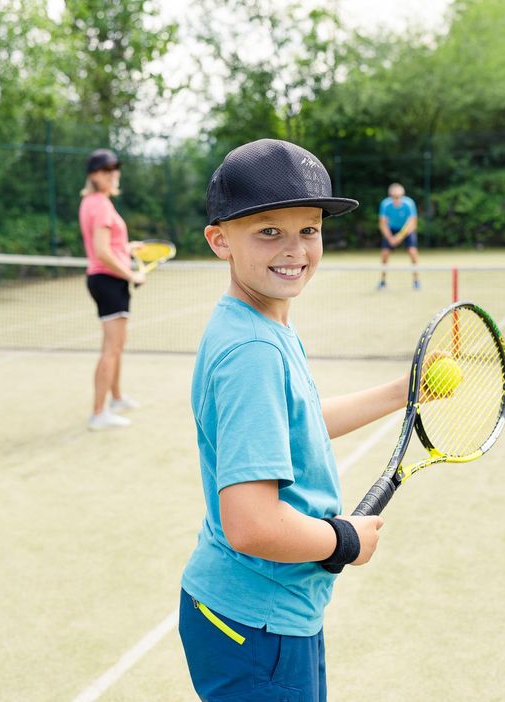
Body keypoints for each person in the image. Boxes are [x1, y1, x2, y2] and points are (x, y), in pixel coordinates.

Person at [179, 139, 410, 701]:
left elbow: (297, 427)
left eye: (308, 229)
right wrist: (342, 540)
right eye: (268, 231)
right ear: (219, 240)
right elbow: (251, 523)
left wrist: (400, 393)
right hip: (257, 626)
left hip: (254, 616)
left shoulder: (258, 325)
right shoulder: (253, 352)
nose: (294, 249)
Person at [79, 148, 145, 430]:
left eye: (114, 169)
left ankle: (116, 398)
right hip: (108, 280)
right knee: (111, 349)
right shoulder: (101, 206)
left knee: (116, 347)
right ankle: (98, 413)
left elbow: (110, 248)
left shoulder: (92, 203)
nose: (113, 175)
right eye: (107, 170)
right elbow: (102, 253)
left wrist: (128, 248)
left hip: (106, 279)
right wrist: (132, 274)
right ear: (95, 175)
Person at [377, 182, 421, 290]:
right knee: (384, 254)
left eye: (399, 196)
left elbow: (412, 223)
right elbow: (383, 224)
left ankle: (416, 281)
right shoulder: (385, 204)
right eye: (394, 197)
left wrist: (400, 236)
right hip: (391, 229)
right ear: (390, 195)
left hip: (406, 230)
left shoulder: (409, 204)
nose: (396, 199)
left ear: (403, 195)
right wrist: (390, 238)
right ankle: (382, 281)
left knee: (412, 252)